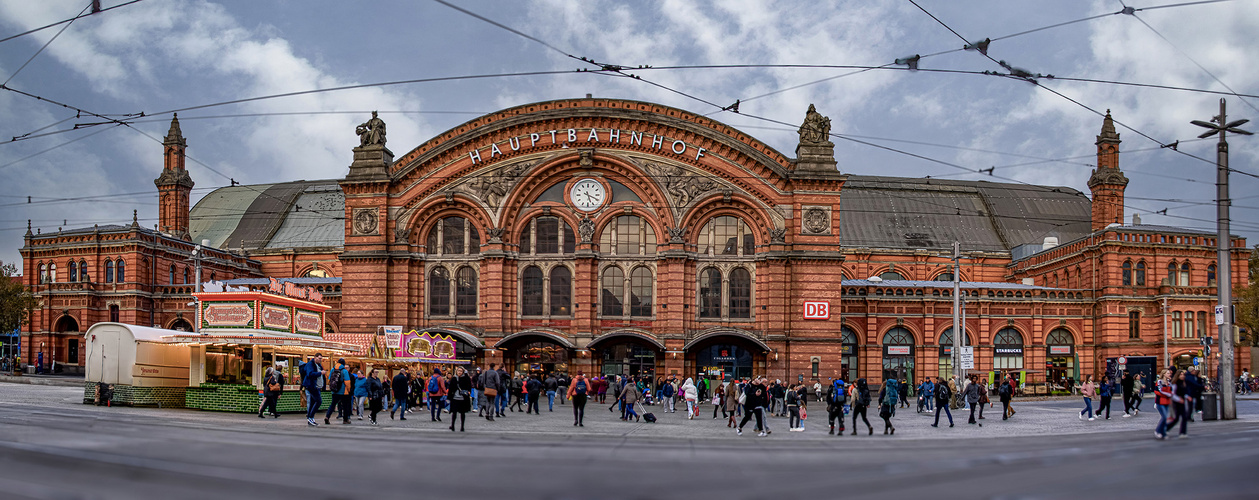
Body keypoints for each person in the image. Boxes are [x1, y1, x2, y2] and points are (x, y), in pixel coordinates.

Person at [324, 358, 353, 425]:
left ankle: (327, 417)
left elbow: (329, 380)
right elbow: (347, 382)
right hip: (343, 391)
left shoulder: (332, 370)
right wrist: (348, 390)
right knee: (345, 406)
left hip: (334, 391)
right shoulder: (344, 371)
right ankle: (345, 420)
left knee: (333, 404)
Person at [1154, 368, 1177, 439]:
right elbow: (1157, 391)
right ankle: (1158, 431)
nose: (1169, 374)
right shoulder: (1159, 382)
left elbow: (1172, 391)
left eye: (1169, 373)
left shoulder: (1169, 382)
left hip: (1167, 402)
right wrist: (1166, 394)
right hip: (1160, 402)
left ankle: (1163, 433)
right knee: (1164, 417)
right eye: (1167, 373)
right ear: (1164, 374)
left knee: (1166, 418)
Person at [448, 366, 472, 432]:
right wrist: (449, 397)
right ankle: (452, 425)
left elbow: (469, 386)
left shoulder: (466, 379)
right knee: (454, 413)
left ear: (463, 372)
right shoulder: (454, 379)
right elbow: (451, 388)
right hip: (455, 398)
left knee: (462, 413)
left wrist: (468, 392)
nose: (459, 372)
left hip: (463, 398)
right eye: (458, 371)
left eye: (461, 371)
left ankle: (462, 427)